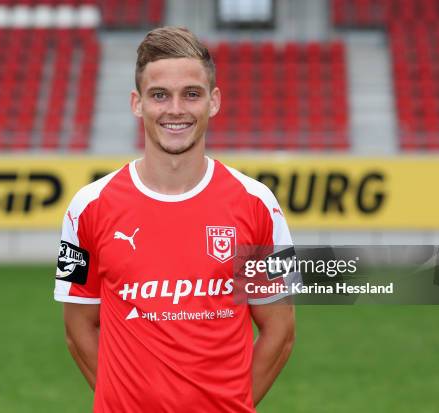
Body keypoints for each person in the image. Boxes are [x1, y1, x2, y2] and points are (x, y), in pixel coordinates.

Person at [54, 26, 296, 412]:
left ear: (214, 101)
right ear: (137, 103)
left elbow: (280, 330)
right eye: (159, 95)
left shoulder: (258, 204)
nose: (175, 109)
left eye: (192, 94)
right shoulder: (87, 206)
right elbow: (77, 328)